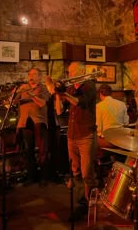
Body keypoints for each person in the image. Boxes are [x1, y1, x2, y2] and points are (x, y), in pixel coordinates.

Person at [49, 61, 97, 221]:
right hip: (72, 135)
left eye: (71, 72)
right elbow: (59, 110)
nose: (68, 75)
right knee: (75, 171)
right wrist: (57, 94)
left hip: (86, 135)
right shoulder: (70, 88)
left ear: (81, 71)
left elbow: (79, 102)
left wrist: (63, 94)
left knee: (86, 174)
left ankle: (89, 204)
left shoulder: (89, 85)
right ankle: (80, 203)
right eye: (68, 72)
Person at [15, 68, 50, 186]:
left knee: (42, 150)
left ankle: (44, 177)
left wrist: (30, 94)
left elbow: (42, 103)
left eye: (34, 74)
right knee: (28, 151)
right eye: (30, 74)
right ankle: (31, 176)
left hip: (39, 121)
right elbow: (12, 103)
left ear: (39, 77)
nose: (31, 76)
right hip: (25, 122)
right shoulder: (23, 89)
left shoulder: (43, 88)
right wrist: (12, 95)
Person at [96, 84, 129, 154]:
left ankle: (101, 161)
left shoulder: (99, 106)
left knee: (90, 140)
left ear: (100, 94)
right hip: (121, 140)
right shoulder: (122, 104)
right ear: (111, 93)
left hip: (108, 141)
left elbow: (98, 128)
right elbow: (126, 123)